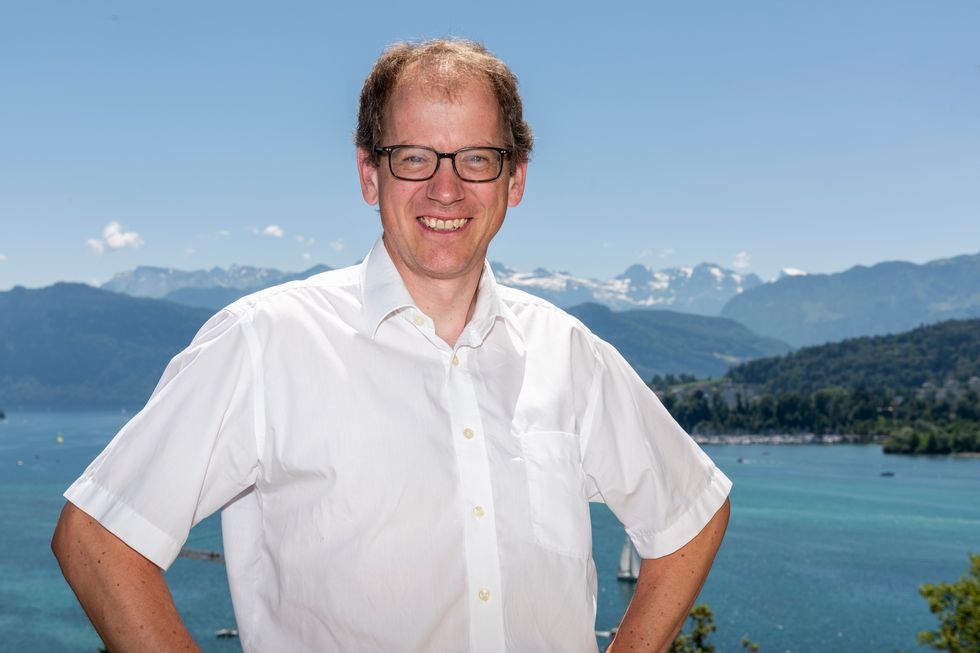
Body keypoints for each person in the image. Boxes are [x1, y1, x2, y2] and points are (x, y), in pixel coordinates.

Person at [52, 38, 731, 653]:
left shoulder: (570, 353)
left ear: (515, 178)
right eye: (413, 157)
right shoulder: (265, 342)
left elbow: (693, 514)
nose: (446, 188)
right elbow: (96, 539)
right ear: (369, 174)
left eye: (477, 158)